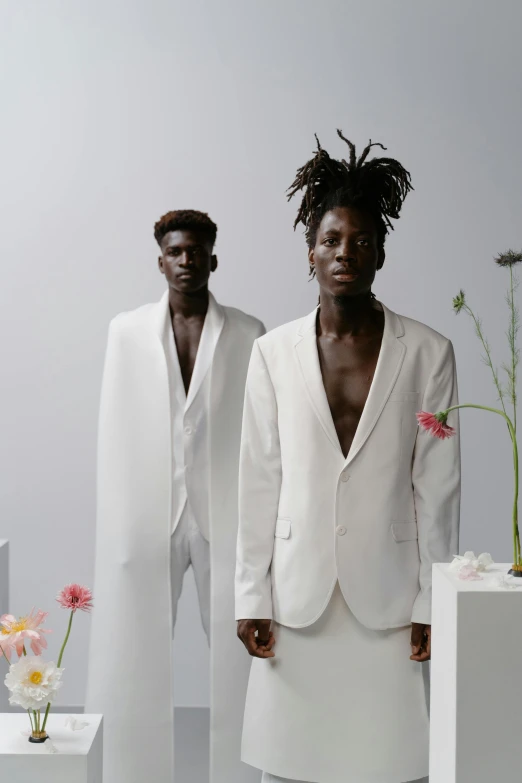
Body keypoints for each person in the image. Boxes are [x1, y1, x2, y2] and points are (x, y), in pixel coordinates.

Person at [235, 132, 460, 783]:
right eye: (332, 240)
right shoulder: (272, 353)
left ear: (380, 252)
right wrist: (250, 590)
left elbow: (437, 485)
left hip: (387, 595)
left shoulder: (428, 352)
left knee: (389, 764)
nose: (345, 253)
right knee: (288, 764)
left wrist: (432, 600)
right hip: (296, 594)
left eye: (361, 240)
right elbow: (258, 479)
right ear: (310, 252)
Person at [85, 210, 265, 783]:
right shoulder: (126, 330)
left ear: (214, 258)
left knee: (241, 656)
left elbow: (261, 433)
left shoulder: (248, 332)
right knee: (131, 651)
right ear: (160, 259)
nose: (186, 261)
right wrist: (118, 524)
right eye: (176, 251)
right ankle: (125, 772)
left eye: (196, 252)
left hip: (225, 511)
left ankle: (247, 769)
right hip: (149, 513)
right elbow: (114, 428)